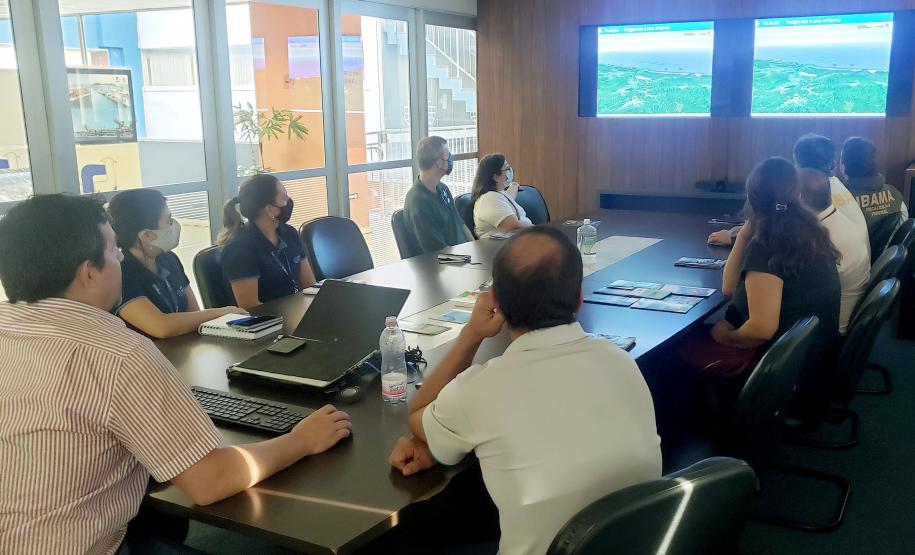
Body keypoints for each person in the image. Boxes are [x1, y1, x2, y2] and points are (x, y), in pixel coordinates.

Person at [0, 194, 351, 554]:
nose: (120, 257)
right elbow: (210, 480)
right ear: (88, 270)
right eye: (112, 251)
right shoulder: (116, 352)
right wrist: (302, 439)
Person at [388, 226, 662, 555]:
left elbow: (418, 415)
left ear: (498, 305)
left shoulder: (483, 390)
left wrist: (472, 334)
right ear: (579, 298)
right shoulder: (622, 363)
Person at [688, 158, 841, 379]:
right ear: (797, 195)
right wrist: (743, 234)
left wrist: (725, 336)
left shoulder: (768, 244)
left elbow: (761, 329)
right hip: (817, 358)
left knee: (678, 350)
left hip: (783, 373)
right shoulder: (810, 231)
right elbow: (730, 289)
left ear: (751, 199)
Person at [108, 189, 246, 338]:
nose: (174, 224)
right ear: (147, 235)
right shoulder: (122, 273)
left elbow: (194, 314)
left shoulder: (168, 259)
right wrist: (219, 312)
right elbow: (161, 326)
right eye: (169, 220)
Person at [708, 133, 871, 248]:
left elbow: (778, 228)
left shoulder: (810, 191)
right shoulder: (833, 185)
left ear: (798, 165)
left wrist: (734, 237)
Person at [219, 174, 316, 310]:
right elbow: (251, 307)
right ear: (269, 209)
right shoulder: (240, 248)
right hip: (266, 323)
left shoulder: (289, 233)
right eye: (284, 198)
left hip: (296, 312)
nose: (288, 201)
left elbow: (309, 285)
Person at [798, 168, 870, 334]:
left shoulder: (823, 240)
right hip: (837, 315)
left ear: (799, 198)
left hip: (827, 332)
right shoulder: (835, 220)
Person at [840, 136, 909, 259]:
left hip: (854, 267)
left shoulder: (839, 204)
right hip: (883, 266)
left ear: (843, 166)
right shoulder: (896, 196)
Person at [403, 136, 474, 253]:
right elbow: (439, 253)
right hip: (445, 266)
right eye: (448, 155)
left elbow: (460, 224)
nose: (451, 158)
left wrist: (475, 248)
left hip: (465, 257)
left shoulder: (442, 188)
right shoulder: (418, 203)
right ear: (439, 163)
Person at [471, 153, 533, 239]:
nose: (510, 171)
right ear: (496, 176)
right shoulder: (489, 198)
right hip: (500, 248)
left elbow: (508, 199)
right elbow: (513, 226)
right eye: (507, 168)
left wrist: (514, 185)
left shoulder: (499, 193)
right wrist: (538, 230)